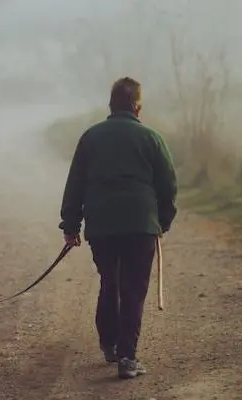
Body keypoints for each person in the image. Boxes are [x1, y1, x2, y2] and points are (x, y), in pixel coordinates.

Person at [58, 77, 178, 379]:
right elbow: (168, 186)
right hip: (141, 227)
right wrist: (161, 222)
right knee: (134, 289)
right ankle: (128, 357)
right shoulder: (152, 138)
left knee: (110, 282)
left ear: (110, 105)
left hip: (102, 227)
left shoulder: (90, 137)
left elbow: (75, 185)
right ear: (138, 107)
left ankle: (109, 344)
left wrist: (71, 225)